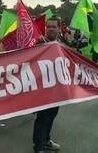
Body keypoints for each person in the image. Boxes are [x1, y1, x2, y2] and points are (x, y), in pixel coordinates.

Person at [32, 16, 62, 153]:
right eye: (48, 26)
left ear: (59, 28)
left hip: (56, 88)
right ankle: (38, 147)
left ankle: (46, 140)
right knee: (42, 118)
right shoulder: (39, 42)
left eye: (53, 27)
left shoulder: (62, 43)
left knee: (52, 116)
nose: (50, 29)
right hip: (42, 88)